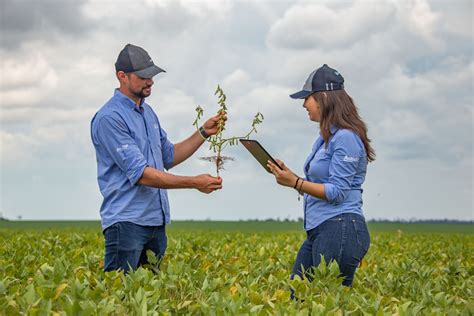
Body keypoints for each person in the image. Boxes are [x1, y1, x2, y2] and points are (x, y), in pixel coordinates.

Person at [91, 44, 224, 272]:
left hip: (155, 223)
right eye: (143, 76)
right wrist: (193, 183)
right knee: (118, 300)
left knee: (149, 300)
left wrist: (204, 132)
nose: (150, 81)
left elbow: (168, 156)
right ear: (122, 76)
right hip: (126, 223)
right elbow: (141, 174)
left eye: (151, 75)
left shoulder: (148, 113)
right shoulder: (109, 118)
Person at [267, 64, 375, 287]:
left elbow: (337, 192)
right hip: (321, 228)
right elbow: (319, 184)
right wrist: (290, 177)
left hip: (340, 227)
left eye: (308, 97)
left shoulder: (345, 137)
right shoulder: (325, 138)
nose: (304, 104)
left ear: (323, 98)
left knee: (327, 301)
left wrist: (296, 182)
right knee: (297, 295)